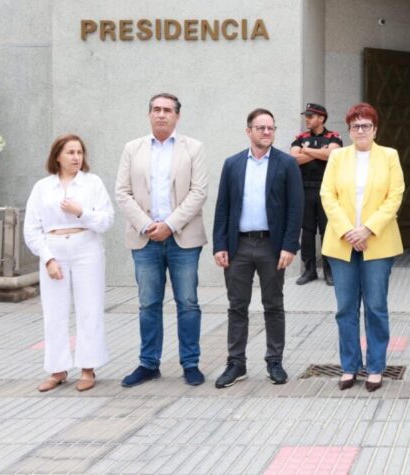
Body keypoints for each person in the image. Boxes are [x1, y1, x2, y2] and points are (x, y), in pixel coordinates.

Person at [115, 93, 209, 388]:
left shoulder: (193, 148)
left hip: (183, 238)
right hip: (145, 239)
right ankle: (148, 363)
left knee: (188, 303)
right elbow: (122, 192)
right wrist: (147, 226)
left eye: (167, 110)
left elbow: (199, 192)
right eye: (156, 109)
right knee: (148, 304)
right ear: (149, 114)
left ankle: (191, 363)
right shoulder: (133, 148)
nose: (161, 114)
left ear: (177, 116)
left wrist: (169, 224)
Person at [212, 108, 303, 389]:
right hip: (238, 246)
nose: (266, 132)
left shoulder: (286, 164)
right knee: (237, 306)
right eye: (261, 127)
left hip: (271, 247)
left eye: (271, 128)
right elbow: (223, 206)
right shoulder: (233, 164)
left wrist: (289, 246)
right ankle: (236, 363)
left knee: (273, 305)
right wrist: (220, 245)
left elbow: (295, 208)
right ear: (248, 130)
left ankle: (274, 361)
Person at [319, 103, 404, 392]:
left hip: (377, 242)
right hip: (341, 243)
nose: (361, 130)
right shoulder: (338, 157)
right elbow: (327, 195)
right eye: (355, 126)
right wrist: (348, 231)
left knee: (376, 306)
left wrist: (367, 229)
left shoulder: (389, 156)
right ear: (349, 130)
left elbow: (395, 196)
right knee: (345, 308)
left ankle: (376, 367)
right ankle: (349, 366)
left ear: (375, 129)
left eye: (366, 125)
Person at [23, 134, 114, 392]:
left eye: (79, 152)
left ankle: (88, 367)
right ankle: (57, 369)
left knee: (89, 307)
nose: (76, 157)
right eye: (70, 152)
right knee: (54, 312)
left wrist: (80, 211)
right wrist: (48, 258)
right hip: (54, 249)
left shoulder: (92, 183)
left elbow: (106, 220)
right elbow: (32, 228)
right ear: (57, 157)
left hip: (86, 247)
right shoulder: (42, 188)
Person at [291, 102, 342, 286]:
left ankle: (329, 270)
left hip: (326, 190)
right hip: (305, 189)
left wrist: (306, 151)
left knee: (328, 230)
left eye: (311, 116)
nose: (307, 119)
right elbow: (294, 159)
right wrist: (321, 153)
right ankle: (309, 269)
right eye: (306, 116)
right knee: (307, 231)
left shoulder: (333, 137)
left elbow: (333, 155)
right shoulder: (300, 137)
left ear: (321, 118)